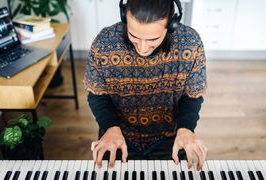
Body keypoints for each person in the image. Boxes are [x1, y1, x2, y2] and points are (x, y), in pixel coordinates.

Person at [84, 0, 207, 170]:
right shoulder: (103, 43)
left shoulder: (191, 44)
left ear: (172, 24)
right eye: (133, 36)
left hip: (172, 137)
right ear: (124, 17)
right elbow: (97, 94)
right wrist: (110, 127)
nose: (142, 48)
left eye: (153, 39)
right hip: (117, 136)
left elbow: (192, 95)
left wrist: (186, 129)